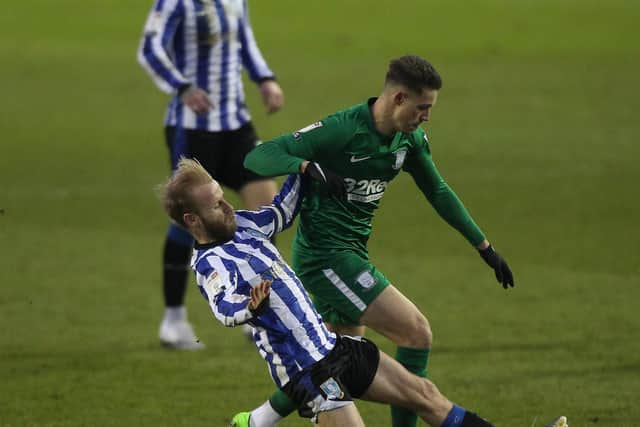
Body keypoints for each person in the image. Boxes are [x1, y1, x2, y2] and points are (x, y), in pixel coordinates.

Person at [158, 157, 534, 427]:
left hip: (333, 347)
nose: (227, 205)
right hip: (307, 374)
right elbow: (223, 308)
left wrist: (305, 167)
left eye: (223, 196)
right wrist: (249, 307)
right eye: (216, 204)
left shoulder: (243, 226)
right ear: (192, 220)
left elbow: (281, 212)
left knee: (425, 396)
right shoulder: (211, 264)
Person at [242, 55, 515, 426]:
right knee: (415, 332)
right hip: (326, 260)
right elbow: (259, 157)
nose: (427, 117)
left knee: (331, 370)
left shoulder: (409, 140)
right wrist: (305, 165)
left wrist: (484, 247)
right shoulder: (341, 131)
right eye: (423, 107)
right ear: (399, 98)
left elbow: (437, 190)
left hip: (351, 255)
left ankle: (256, 420)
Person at [137, 0, 284, 349]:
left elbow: (243, 38)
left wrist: (265, 78)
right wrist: (182, 86)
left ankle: (256, 307)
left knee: (266, 202)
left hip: (235, 123)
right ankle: (173, 320)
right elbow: (150, 47)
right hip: (192, 127)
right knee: (187, 221)